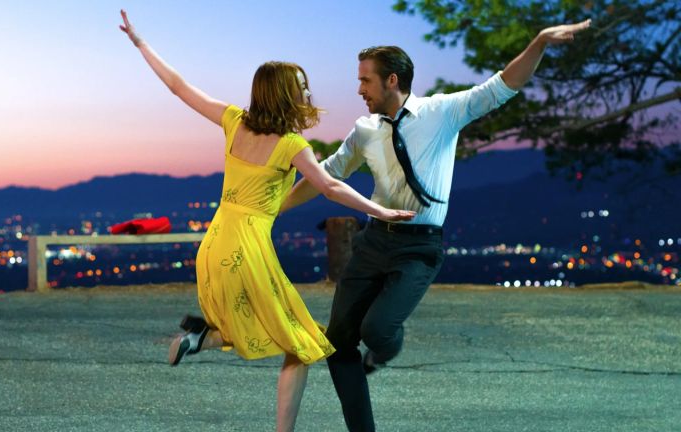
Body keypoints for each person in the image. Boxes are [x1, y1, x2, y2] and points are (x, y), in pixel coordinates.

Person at [280, 19, 592, 431]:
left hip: (419, 248)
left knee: (378, 331)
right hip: (373, 242)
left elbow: (502, 86)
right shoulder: (364, 130)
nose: (359, 90)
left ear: (392, 80)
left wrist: (539, 42)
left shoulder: (441, 112)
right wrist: (274, 209)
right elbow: (327, 175)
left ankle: (385, 349)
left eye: (365, 80)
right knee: (338, 343)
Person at [118, 10, 415, 432]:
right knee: (301, 342)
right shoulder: (291, 145)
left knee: (271, 331)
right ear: (284, 95)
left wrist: (140, 44)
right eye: (302, 87)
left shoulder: (233, 121)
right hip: (248, 252)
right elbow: (330, 186)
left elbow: (178, 87)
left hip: (214, 247)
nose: (309, 92)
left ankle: (200, 337)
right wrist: (380, 210)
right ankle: (203, 340)